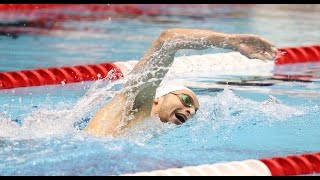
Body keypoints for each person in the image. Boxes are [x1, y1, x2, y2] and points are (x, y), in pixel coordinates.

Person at [83, 28, 278, 137]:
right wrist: (232, 42)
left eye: (194, 110)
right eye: (186, 100)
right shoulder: (132, 104)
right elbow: (169, 40)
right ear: (158, 99)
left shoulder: (145, 129)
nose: (191, 111)